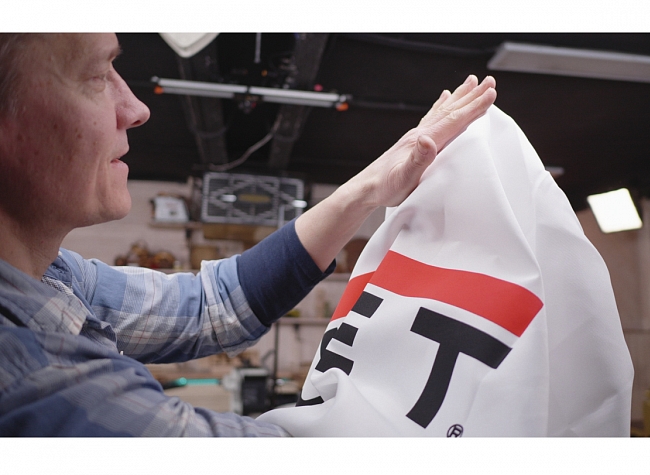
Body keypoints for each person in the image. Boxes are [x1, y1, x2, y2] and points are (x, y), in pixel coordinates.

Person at [0, 33, 497, 436]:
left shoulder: (55, 276)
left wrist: (367, 189)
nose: (135, 108)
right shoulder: (28, 377)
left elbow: (211, 304)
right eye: (96, 75)